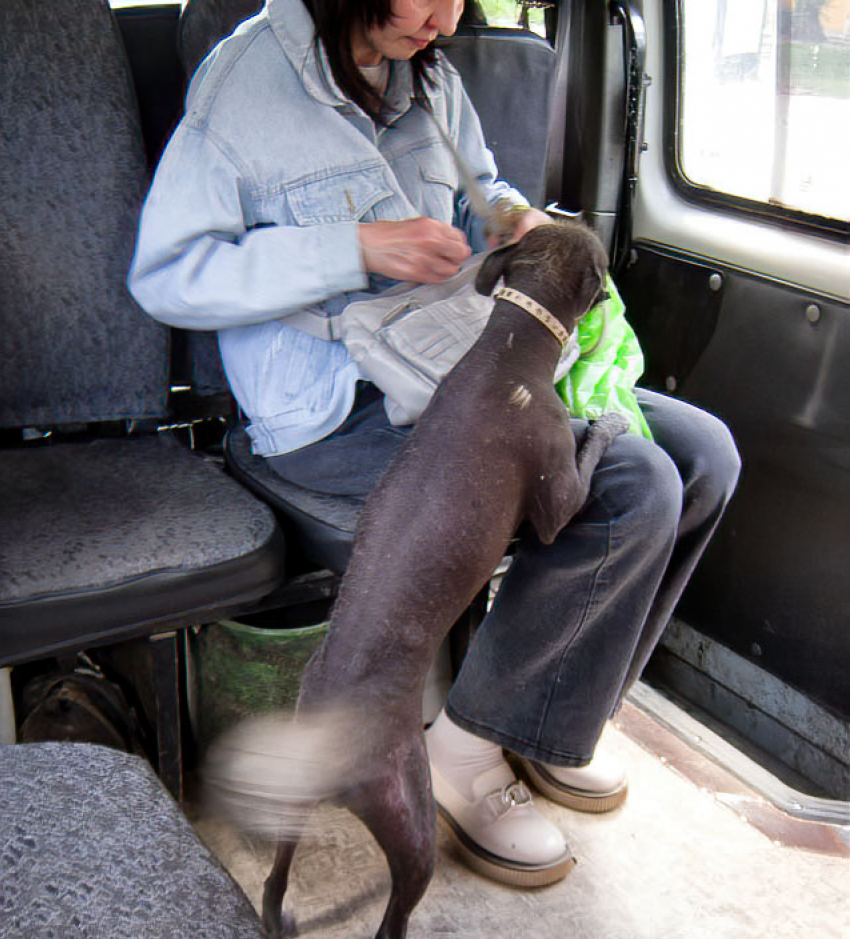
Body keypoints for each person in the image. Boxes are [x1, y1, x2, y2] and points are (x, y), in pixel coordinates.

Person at [128, 0, 740, 886]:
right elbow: (167, 273)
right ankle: (465, 748)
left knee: (703, 457)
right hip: (338, 408)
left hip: (452, 364)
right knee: (631, 483)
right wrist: (354, 247)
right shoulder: (243, 88)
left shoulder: (430, 75)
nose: (447, 18)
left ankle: (550, 715)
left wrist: (510, 219)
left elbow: (480, 191)